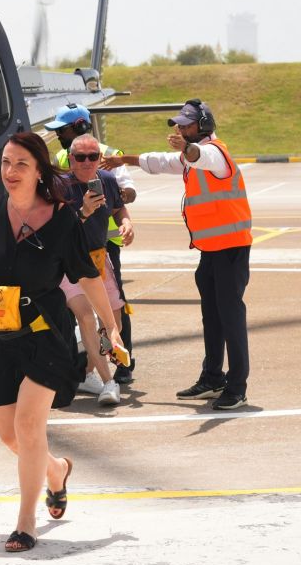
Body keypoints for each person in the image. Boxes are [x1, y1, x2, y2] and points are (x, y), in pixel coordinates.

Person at [0, 132, 123, 552]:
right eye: (5, 164)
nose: (10, 173)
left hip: (45, 331)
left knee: (30, 425)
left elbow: (87, 276)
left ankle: (25, 521)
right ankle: (55, 470)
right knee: (11, 435)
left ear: (39, 170)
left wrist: (111, 327)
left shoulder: (63, 219)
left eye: (20, 165)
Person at [103, 99, 251, 409]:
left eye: (187, 125)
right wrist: (124, 160)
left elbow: (200, 156)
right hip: (210, 251)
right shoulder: (188, 158)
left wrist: (187, 148)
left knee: (231, 317)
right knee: (212, 317)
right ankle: (212, 379)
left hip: (231, 249)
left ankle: (237, 386)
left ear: (204, 126)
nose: (181, 129)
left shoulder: (215, 153)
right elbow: (158, 161)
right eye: (179, 125)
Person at [46, 104, 138, 384]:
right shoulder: (61, 161)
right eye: (80, 157)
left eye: (63, 130)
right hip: (69, 252)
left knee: (114, 310)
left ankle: (117, 363)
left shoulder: (109, 159)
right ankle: (88, 369)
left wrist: (123, 215)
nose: (59, 136)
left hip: (103, 249)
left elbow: (126, 196)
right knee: (76, 313)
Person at [59, 134, 134, 406]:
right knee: (85, 317)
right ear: (71, 159)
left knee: (114, 323)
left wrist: (126, 223)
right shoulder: (60, 186)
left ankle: (89, 371)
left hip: (99, 260)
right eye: (80, 157)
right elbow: (56, 229)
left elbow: (119, 208)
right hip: (68, 263)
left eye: (93, 156)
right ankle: (108, 381)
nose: (87, 162)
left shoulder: (108, 181)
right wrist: (83, 211)